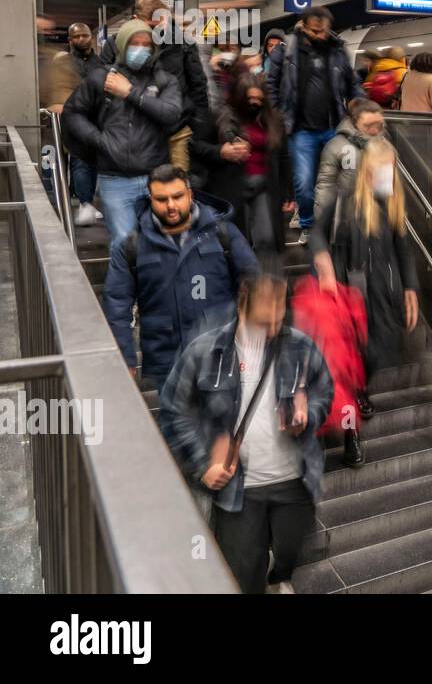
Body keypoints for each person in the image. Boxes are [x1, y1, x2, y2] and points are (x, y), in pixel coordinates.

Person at [160, 273, 333, 594]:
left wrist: (309, 414)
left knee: (290, 551)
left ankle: (277, 576)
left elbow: (324, 389)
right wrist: (203, 463)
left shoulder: (298, 345)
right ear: (242, 307)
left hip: (295, 482)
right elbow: (174, 410)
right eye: (262, 322)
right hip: (240, 490)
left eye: (278, 321)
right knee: (242, 575)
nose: (272, 331)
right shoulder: (206, 351)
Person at [103, 164, 259, 388]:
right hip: (167, 363)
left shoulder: (223, 233)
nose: (171, 206)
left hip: (220, 355)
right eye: (161, 199)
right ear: (150, 199)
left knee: (224, 422)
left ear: (190, 195)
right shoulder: (131, 246)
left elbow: (253, 281)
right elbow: (117, 303)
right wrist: (123, 355)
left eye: (177, 197)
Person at [310, 138, 418, 418]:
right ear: (367, 171)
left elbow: (403, 247)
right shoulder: (345, 200)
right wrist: (324, 263)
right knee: (352, 349)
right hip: (352, 291)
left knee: (375, 351)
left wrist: (410, 287)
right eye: (381, 170)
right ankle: (352, 404)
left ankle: (358, 387)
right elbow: (317, 233)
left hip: (383, 293)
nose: (386, 177)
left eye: (390, 170)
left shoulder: (393, 203)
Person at [62, 19, 184, 245]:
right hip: (115, 178)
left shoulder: (165, 80)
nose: (140, 49)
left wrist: (130, 93)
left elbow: (171, 113)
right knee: (123, 244)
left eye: (146, 44)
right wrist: (99, 140)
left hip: (156, 176)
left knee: (162, 241)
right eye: (134, 43)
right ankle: (124, 281)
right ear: (122, 45)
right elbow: (72, 113)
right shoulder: (101, 77)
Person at [265, 5, 365, 239]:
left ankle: (337, 225)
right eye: (316, 30)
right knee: (303, 184)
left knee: (346, 177)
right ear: (304, 27)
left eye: (324, 30)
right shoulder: (287, 50)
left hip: (334, 128)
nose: (321, 35)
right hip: (300, 131)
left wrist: (360, 104)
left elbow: (352, 84)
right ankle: (310, 225)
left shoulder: (337, 49)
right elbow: (271, 85)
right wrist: (279, 113)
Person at [190, 76, 293, 255]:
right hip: (232, 186)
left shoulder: (273, 120)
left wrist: (288, 192)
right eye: (250, 98)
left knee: (266, 239)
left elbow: (283, 157)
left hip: (265, 185)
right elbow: (196, 146)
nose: (255, 103)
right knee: (237, 239)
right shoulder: (220, 117)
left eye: (259, 99)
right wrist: (221, 151)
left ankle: (266, 280)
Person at [109, 0, 210, 172]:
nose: (156, 31)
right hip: (137, 130)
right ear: (136, 20)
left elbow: (198, 85)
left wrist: (197, 126)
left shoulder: (183, 44)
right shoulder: (118, 44)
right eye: (150, 26)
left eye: (160, 25)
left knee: (179, 183)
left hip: (177, 129)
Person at [291, 272, 368, 468]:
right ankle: (321, 442)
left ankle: (351, 436)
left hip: (341, 357)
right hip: (321, 358)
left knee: (346, 402)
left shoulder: (342, 295)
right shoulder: (307, 297)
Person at [40, 21, 103, 225]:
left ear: (90, 37)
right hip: (73, 118)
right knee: (79, 161)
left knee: (90, 163)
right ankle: (83, 203)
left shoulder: (99, 62)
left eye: (84, 35)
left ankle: (86, 202)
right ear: (70, 40)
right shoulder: (64, 62)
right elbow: (59, 89)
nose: (81, 39)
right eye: (76, 37)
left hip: (94, 120)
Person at [315, 98, 385, 225]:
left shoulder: (384, 144)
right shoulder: (337, 146)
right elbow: (325, 186)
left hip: (375, 218)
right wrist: (321, 222)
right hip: (346, 219)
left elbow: (386, 189)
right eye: (368, 126)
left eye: (379, 125)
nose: (375, 131)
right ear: (355, 123)